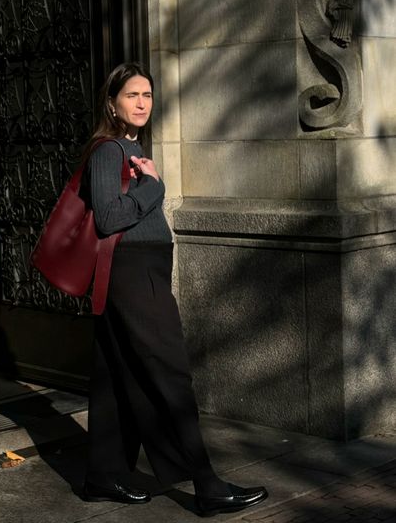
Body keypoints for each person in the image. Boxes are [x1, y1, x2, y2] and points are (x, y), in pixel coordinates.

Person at [79, 62, 268, 517]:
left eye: (147, 95)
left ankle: (103, 475)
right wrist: (153, 188)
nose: (142, 103)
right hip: (133, 273)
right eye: (131, 95)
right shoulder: (108, 151)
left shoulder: (129, 148)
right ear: (112, 103)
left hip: (142, 272)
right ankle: (206, 484)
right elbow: (109, 217)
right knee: (170, 373)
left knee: (116, 371)